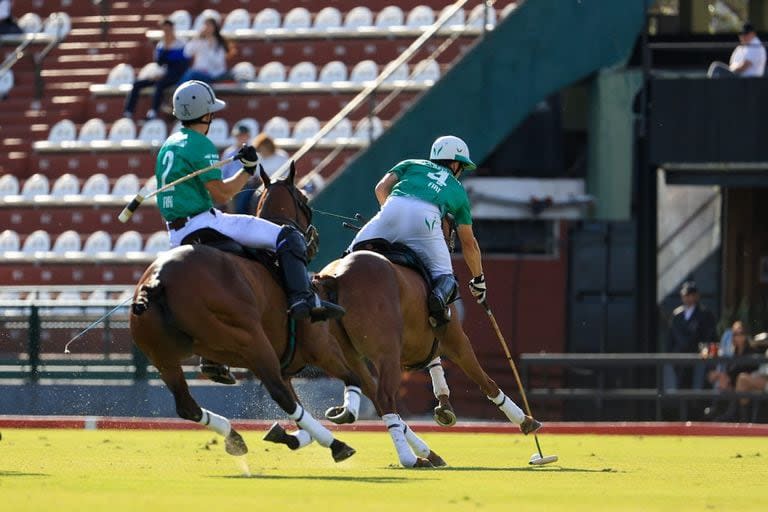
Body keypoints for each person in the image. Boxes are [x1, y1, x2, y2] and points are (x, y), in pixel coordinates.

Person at [155, 80, 344, 323]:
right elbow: (222, 194)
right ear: (207, 113)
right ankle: (303, 299)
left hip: (174, 234)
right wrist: (247, 169)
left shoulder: (168, 144)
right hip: (203, 223)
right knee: (288, 236)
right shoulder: (199, 143)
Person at [347, 135, 487, 327]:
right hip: (426, 219)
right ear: (455, 164)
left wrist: (389, 219)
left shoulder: (411, 163)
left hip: (392, 207)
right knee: (447, 278)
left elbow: (380, 189)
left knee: (347, 257)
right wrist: (478, 279)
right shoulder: (458, 190)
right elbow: (469, 243)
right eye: (461, 167)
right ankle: (434, 315)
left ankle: (324, 294)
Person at [123, 18, 188, 120]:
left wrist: (164, 70)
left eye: (168, 29)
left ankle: (153, 112)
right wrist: (158, 73)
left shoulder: (181, 44)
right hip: (160, 73)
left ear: (173, 29)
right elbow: (159, 63)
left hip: (175, 74)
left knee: (160, 84)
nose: (166, 32)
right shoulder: (161, 45)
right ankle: (128, 112)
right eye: (164, 29)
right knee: (137, 84)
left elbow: (181, 64)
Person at [664, 281, 717, 390]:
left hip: (697, 358)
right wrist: (670, 354)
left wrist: (704, 353)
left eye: (690, 295)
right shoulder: (677, 315)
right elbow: (671, 338)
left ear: (696, 296)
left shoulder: (705, 314)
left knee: (697, 386)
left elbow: (709, 337)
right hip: (679, 358)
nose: (687, 298)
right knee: (679, 386)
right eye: (685, 295)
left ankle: (695, 406)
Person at [234, 133, 289, 214]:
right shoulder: (258, 157)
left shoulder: (282, 156)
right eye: (260, 148)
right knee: (244, 195)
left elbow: (287, 173)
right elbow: (254, 173)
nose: (261, 150)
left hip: (279, 185)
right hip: (259, 184)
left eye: (263, 148)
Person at [178, 17, 235, 85]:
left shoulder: (219, 43)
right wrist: (196, 38)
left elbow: (218, 63)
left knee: (191, 73)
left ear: (214, 28)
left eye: (209, 25)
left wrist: (210, 47)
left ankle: (179, 90)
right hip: (199, 73)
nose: (207, 28)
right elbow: (187, 53)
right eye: (206, 25)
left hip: (213, 75)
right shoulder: (199, 41)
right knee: (190, 73)